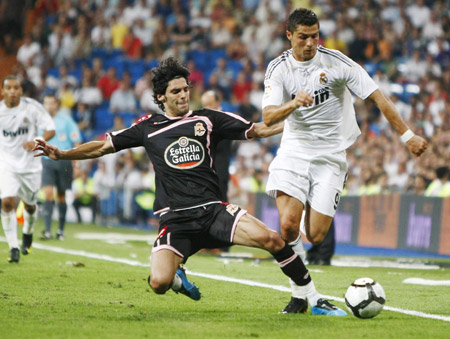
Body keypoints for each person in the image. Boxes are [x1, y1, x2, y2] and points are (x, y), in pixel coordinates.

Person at [34, 57, 346, 316]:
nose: (184, 96)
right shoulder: (148, 128)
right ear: (161, 97)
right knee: (158, 283)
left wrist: (293, 115)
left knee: (272, 239)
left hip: (213, 211)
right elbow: (103, 146)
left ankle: (312, 298)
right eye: (176, 91)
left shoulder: (208, 119)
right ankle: (178, 278)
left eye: (186, 89)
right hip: (175, 220)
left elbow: (258, 129)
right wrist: (62, 153)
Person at [262, 9, 428, 313]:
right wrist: (294, 102)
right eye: (303, 37)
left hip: (330, 155)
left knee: (316, 235)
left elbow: (378, 97)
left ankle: (314, 199)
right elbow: (268, 115)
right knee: (287, 227)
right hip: (294, 151)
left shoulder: (337, 62)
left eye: (315, 35)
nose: (311, 43)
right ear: (289, 36)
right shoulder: (279, 69)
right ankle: (303, 295)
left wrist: (408, 136)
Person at [0, 75, 55, 262]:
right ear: (3, 91)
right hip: (7, 164)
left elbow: (50, 129)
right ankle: (13, 247)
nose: (13, 91)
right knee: (7, 202)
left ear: (21, 91)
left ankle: (28, 232)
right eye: (9, 88)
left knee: (30, 206)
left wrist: (36, 141)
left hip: (30, 166)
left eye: (16, 88)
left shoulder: (31, 107)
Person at [41, 95, 82, 240]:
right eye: (46, 103)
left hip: (64, 160)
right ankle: (47, 230)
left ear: (56, 104)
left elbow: (77, 142)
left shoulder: (66, 121)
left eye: (51, 103)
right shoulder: (40, 121)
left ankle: (60, 230)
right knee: (48, 194)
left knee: (61, 195)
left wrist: (77, 164)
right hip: (46, 161)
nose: (48, 106)